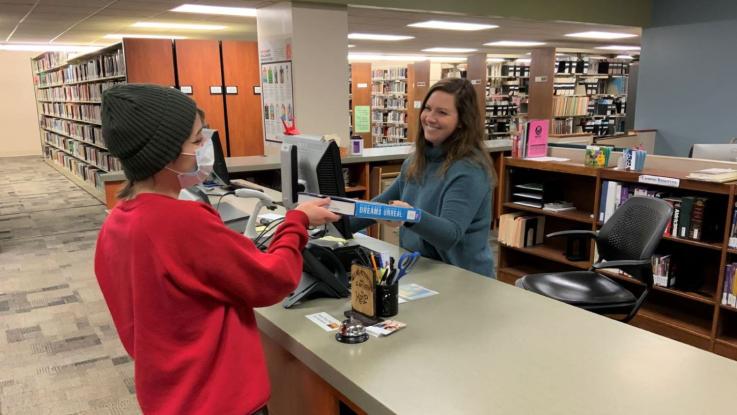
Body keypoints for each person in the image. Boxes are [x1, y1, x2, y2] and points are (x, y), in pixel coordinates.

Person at [94, 84, 339, 415]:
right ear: (164, 151)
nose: (205, 148)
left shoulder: (116, 224)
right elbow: (274, 279)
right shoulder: (181, 222)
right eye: (197, 141)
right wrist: (296, 222)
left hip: (170, 396)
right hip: (220, 399)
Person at [352, 78, 497, 277]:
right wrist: (332, 220)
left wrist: (410, 215)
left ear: (463, 121)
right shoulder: (415, 161)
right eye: (427, 108)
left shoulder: (470, 170)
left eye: (442, 112)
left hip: (463, 278)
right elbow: (381, 205)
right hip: (420, 268)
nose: (429, 117)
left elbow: (450, 235)